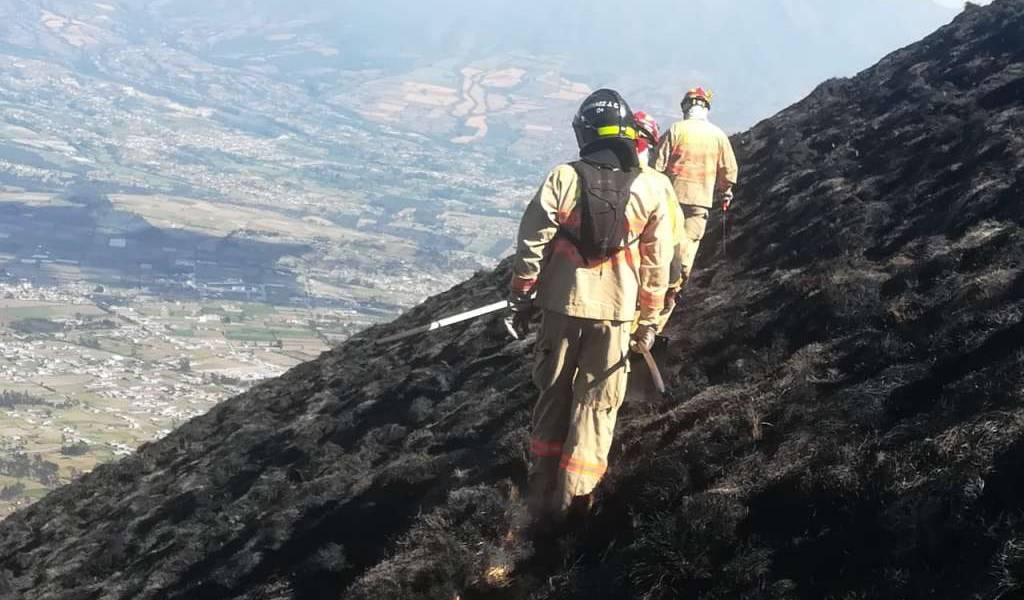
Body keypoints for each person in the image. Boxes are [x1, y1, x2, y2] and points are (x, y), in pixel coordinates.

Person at [508, 89, 674, 529]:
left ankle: (538, 503)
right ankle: (574, 510)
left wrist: (523, 293)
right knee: (597, 410)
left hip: (561, 308)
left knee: (553, 397)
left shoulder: (563, 177)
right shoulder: (654, 187)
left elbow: (532, 243)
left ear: (584, 132)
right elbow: (659, 264)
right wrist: (649, 323)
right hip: (617, 316)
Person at [654, 87, 739, 288]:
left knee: (664, 241)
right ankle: (675, 288)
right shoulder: (718, 136)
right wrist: (725, 193)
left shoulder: (676, 130)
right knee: (688, 244)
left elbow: (656, 166)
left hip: (670, 199)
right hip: (700, 201)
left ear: (686, 106)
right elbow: (728, 171)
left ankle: (659, 283)